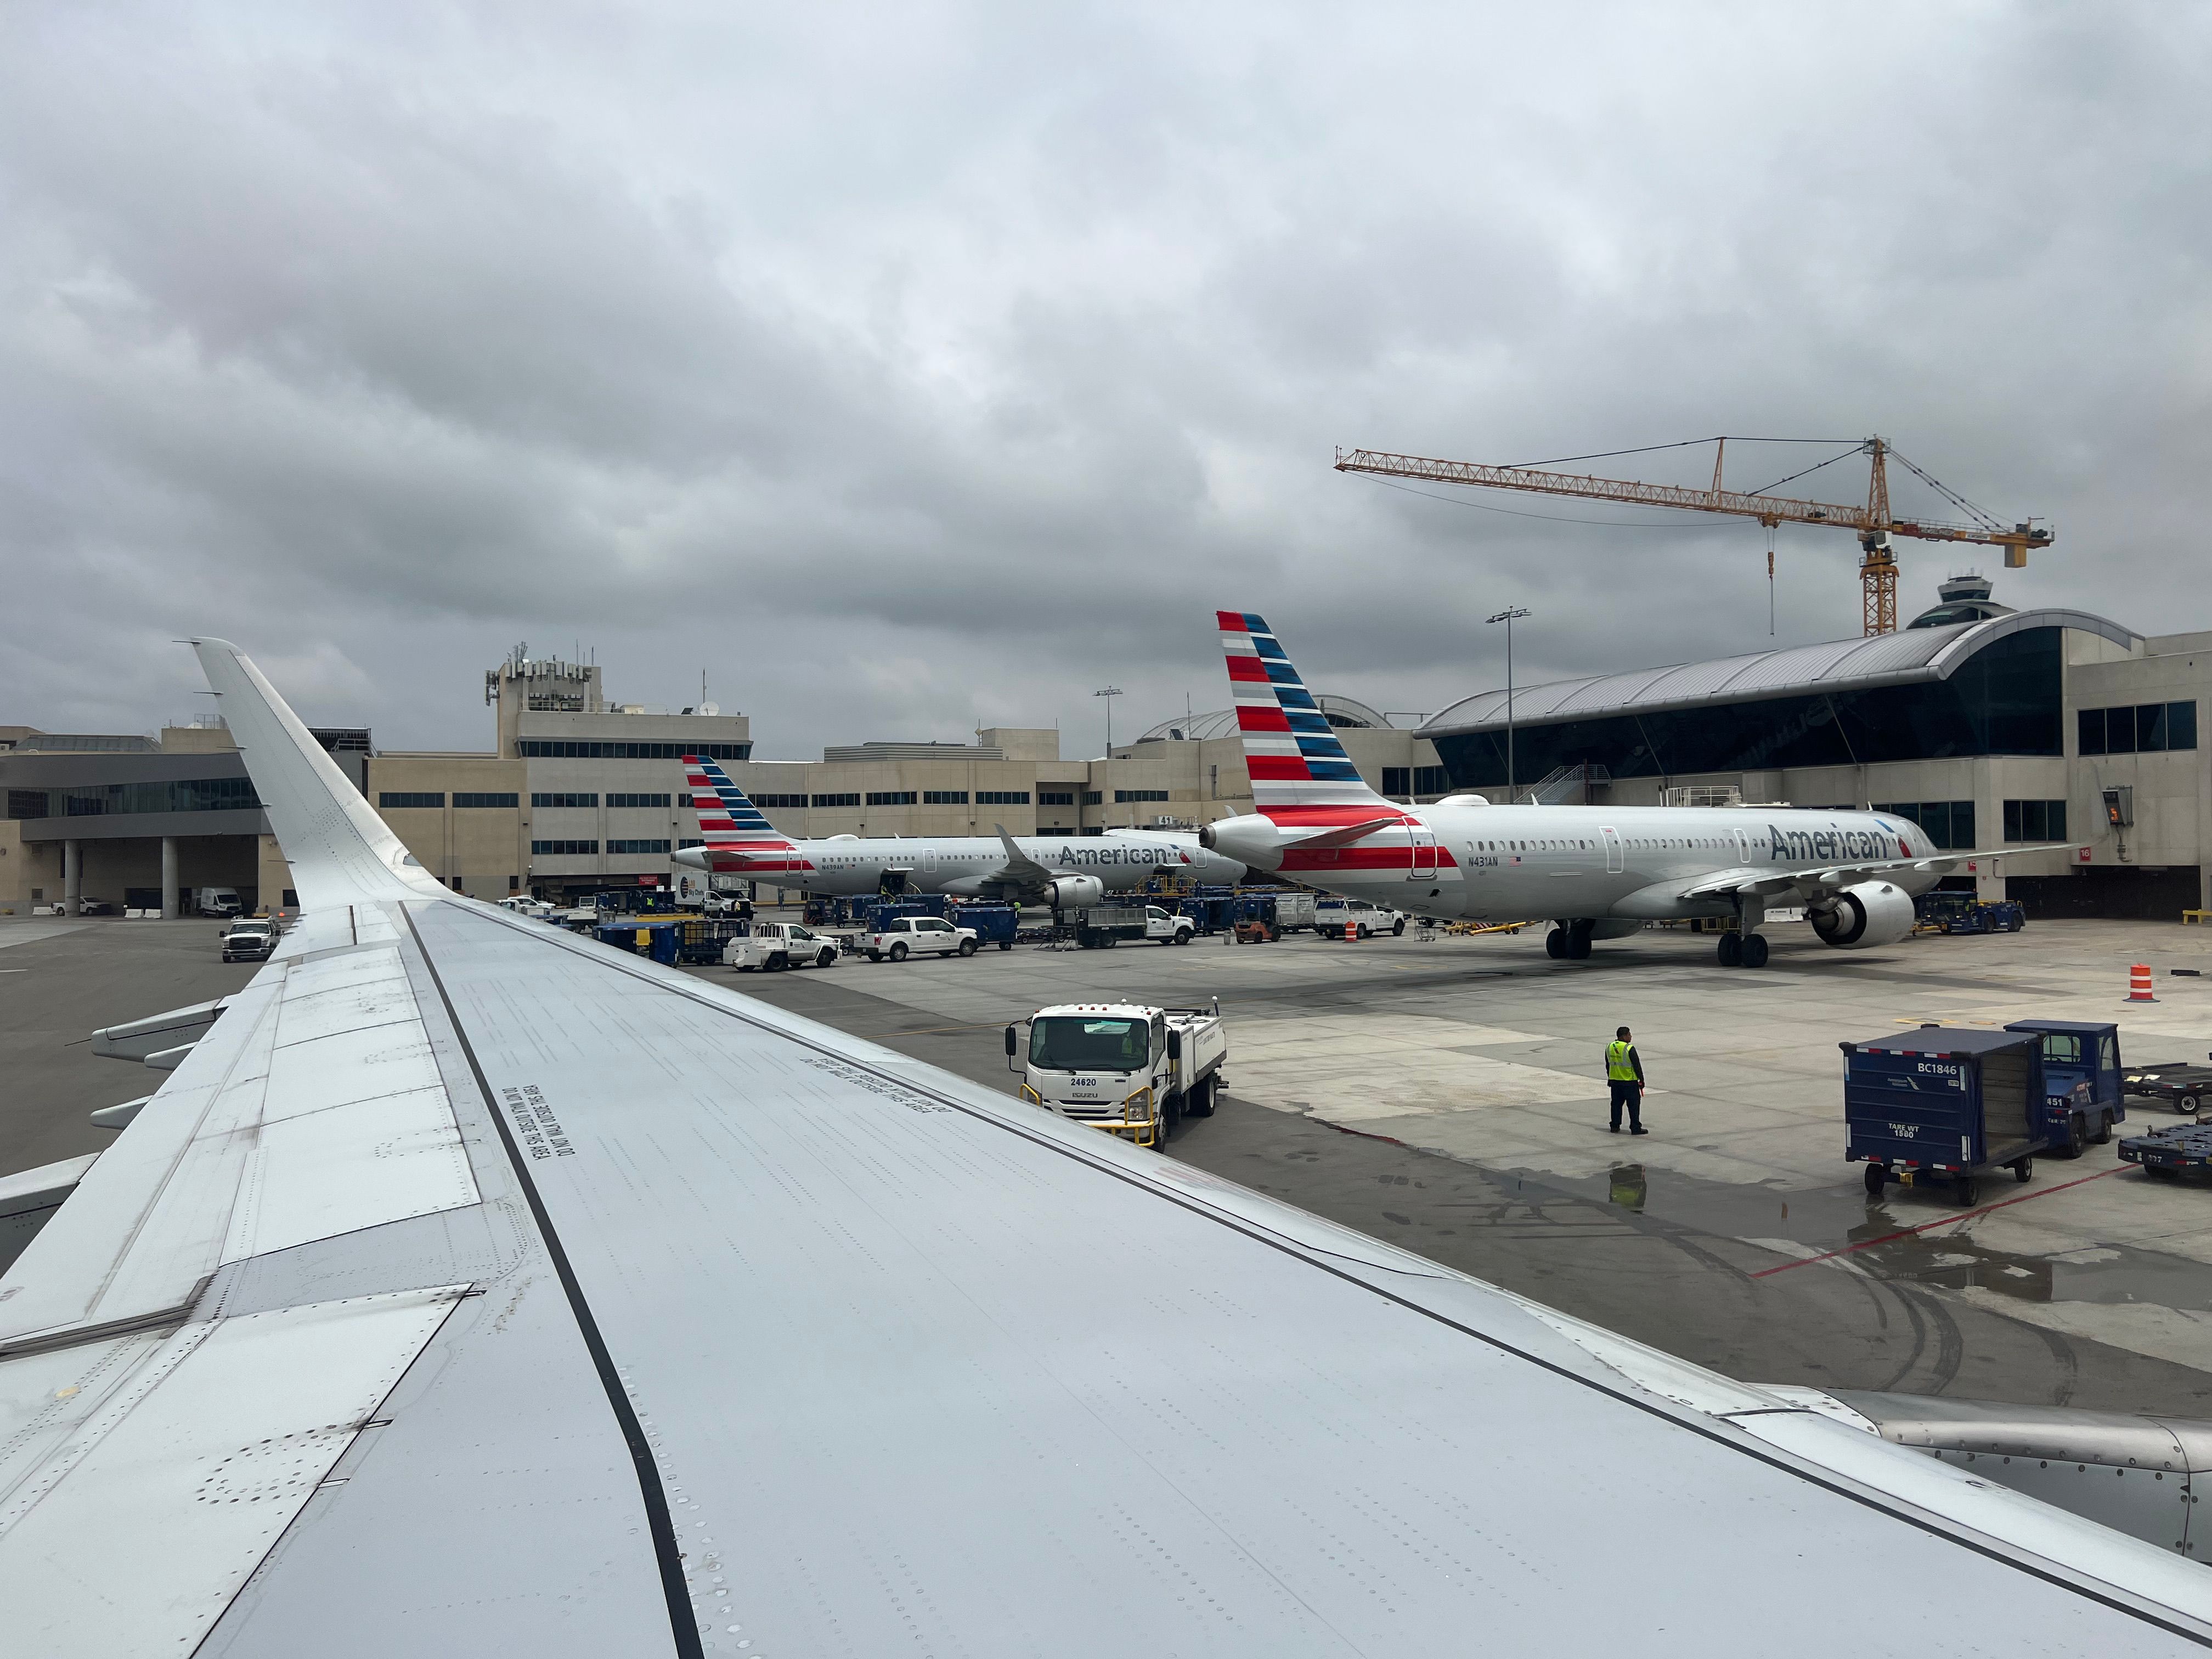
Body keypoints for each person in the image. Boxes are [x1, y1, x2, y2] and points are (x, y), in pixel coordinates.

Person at [1605, 1025, 1647, 1135]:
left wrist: (1610, 1078)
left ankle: (1615, 1126)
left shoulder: (1609, 1047)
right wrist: (1641, 1080)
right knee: (1633, 1106)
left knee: (1616, 1105)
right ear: (1624, 1036)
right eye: (1629, 1034)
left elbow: (1608, 1065)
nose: (1631, 1037)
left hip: (1615, 1082)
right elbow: (1637, 1066)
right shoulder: (1629, 1048)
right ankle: (1635, 1127)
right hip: (1629, 1083)